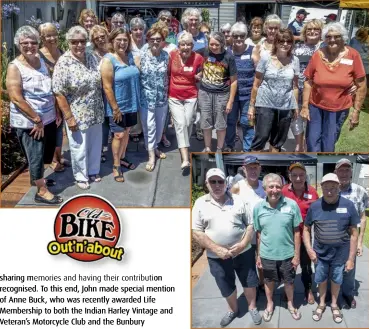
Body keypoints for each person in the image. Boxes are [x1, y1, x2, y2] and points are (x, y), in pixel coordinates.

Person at [192, 168, 262, 327]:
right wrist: (217, 249)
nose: (217, 185)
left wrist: (243, 244)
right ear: (207, 184)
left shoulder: (239, 200)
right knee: (225, 284)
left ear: (226, 183)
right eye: (213, 181)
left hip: (243, 252)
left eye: (220, 181)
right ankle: (233, 309)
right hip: (216, 256)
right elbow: (196, 231)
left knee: (249, 281)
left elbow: (251, 224)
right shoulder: (200, 203)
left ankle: (252, 307)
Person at [7, 26, 62, 205]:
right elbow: (16, 97)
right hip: (30, 122)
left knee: (46, 153)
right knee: (36, 154)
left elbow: (50, 87)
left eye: (33, 42)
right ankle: (41, 190)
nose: (30, 46)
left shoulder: (40, 60)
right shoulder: (15, 67)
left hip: (49, 117)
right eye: (25, 43)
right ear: (18, 44)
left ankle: (39, 179)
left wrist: (57, 111)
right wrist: (36, 119)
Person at [53, 26, 104, 190]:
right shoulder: (64, 62)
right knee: (79, 147)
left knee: (95, 143)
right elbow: (59, 92)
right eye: (75, 42)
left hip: (96, 109)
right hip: (77, 113)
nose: (79, 45)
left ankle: (93, 170)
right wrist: (69, 117)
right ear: (68, 43)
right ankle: (81, 176)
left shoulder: (91, 56)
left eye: (82, 41)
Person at [301, 22, 367, 152]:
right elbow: (308, 81)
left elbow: (362, 84)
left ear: (343, 38)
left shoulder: (353, 55)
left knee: (329, 142)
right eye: (328, 36)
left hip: (338, 108)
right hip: (316, 106)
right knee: (312, 140)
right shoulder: (318, 54)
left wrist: (356, 112)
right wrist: (304, 107)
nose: (332, 40)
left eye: (336, 36)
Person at [303, 173, 359, 323]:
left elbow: (354, 233)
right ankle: (321, 304)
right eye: (326, 187)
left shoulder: (348, 205)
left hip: (340, 255)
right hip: (320, 255)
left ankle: (334, 305)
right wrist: (309, 249)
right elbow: (306, 229)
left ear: (338, 187)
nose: (329, 191)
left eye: (333, 187)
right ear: (321, 188)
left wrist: (351, 259)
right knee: (321, 280)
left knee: (336, 280)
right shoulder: (315, 206)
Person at [253, 173, 302, 322]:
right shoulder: (258, 208)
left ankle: (290, 304)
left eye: (278, 186)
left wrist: (296, 255)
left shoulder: (292, 205)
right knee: (269, 281)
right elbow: (259, 233)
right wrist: (259, 255)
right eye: (271, 186)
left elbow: (297, 232)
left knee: (289, 282)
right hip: (267, 254)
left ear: (282, 188)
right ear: (265, 188)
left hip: (287, 254)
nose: (275, 190)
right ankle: (269, 304)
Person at [249, 28, 299, 152]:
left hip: (285, 105)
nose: (285, 44)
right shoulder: (266, 58)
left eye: (289, 42)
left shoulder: (295, 60)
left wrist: (295, 106)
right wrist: (251, 106)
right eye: (282, 41)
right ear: (276, 42)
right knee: (261, 137)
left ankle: (272, 163)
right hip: (265, 102)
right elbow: (256, 83)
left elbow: (295, 86)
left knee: (278, 141)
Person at [100, 28, 140, 183]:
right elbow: (107, 87)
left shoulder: (130, 57)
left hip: (132, 103)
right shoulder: (108, 60)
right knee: (118, 135)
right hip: (117, 107)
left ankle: (122, 158)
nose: (122, 43)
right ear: (112, 41)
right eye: (119, 40)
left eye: (125, 40)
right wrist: (115, 108)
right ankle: (116, 165)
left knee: (127, 131)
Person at [281, 162, 319, 304]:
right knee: (287, 265)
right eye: (294, 175)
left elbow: (318, 212)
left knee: (306, 265)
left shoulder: (313, 192)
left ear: (305, 176)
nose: (298, 178)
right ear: (289, 176)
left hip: (305, 237)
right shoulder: (283, 191)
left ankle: (308, 289)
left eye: (301, 175)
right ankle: (288, 289)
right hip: (286, 237)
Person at [334, 158, 368, 309]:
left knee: (350, 267)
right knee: (333, 267)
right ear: (336, 172)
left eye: (347, 170)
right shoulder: (330, 190)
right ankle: (333, 293)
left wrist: (360, 242)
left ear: (351, 172)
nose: (344, 173)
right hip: (333, 238)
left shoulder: (360, 191)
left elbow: (363, 217)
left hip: (351, 239)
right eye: (341, 170)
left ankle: (348, 293)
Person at [168, 32, 203, 171]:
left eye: (189, 44)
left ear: (192, 46)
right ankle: (185, 156)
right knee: (180, 124)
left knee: (188, 122)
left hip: (191, 95)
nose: (186, 47)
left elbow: (202, 71)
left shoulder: (198, 58)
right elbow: (168, 73)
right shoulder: (172, 55)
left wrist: (200, 75)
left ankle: (184, 145)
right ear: (178, 45)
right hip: (174, 95)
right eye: (183, 44)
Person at [231, 155, 266, 292]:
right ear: (244, 170)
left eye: (255, 168)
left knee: (261, 259)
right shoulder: (237, 187)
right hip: (244, 232)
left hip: (262, 232)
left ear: (259, 169)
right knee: (248, 262)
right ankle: (253, 286)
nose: (253, 171)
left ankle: (262, 283)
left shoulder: (264, 186)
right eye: (249, 168)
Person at [198, 32, 237, 152]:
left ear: (222, 44)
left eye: (217, 45)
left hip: (222, 94)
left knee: (221, 123)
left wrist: (230, 101)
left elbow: (234, 81)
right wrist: (198, 72)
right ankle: (208, 147)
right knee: (205, 121)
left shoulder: (229, 57)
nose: (214, 47)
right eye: (211, 44)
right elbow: (192, 59)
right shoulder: (203, 52)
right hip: (205, 93)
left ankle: (219, 148)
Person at [38, 22, 69, 173]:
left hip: (62, 98)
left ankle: (58, 155)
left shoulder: (61, 51)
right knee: (52, 129)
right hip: (48, 101)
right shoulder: (39, 56)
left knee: (60, 128)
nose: (52, 38)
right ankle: (53, 160)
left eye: (54, 34)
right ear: (41, 38)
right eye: (48, 35)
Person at [138, 25, 169, 172]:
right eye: (152, 39)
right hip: (146, 98)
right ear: (148, 40)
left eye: (158, 39)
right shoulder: (141, 56)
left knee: (159, 126)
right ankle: (151, 154)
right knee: (149, 126)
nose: (155, 42)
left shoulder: (166, 56)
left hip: (162, 98)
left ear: (163, 40)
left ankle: (155, 147)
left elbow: (169, 75)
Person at [225, 22, 258, 152]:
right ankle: (229, 145)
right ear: (231, 36)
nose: (238, 39)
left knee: (247, 122)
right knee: (230, 122)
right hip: (231, 95)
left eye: (242, 36)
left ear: (246, 36)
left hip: (248, 94)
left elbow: (258, 74)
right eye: (236, 36)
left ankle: (247, 148)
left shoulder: (252, 50)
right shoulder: (227, 51)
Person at [291, 19, 323, 152]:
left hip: (316, 92)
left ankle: (309, 145)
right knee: (296, 117)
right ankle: (299, 145)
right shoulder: (296, 48)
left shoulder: (324, 48)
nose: (312, 31)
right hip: (297, 88)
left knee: (313, 121)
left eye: (316, 29)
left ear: (321, 32)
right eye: (309, 29)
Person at [129, 17, 147, 143]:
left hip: (145, 78)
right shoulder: (128, 41)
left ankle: (145, 128)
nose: (138, 32)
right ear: (131, 30)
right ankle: (134, 130)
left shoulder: (147, 41)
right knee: (134, 103)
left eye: (140, 29)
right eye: (135, 29)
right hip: (132, 77)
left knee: (144, 103)